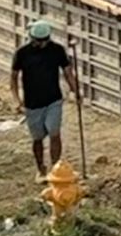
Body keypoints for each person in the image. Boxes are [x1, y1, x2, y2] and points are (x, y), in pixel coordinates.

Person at [10, 21, 79, 181]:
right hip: (32, 103)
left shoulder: (57, 51)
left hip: (53, 99)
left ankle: (56, 168)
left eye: (45, 40)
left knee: (54, 133)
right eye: (39, 41)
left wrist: (76, 91)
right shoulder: (22, 53)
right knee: (37, 138)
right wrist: (16, 100)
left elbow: (68, 72)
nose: (42, 44)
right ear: (32, 38)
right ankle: (41, 168)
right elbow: (13, 78)